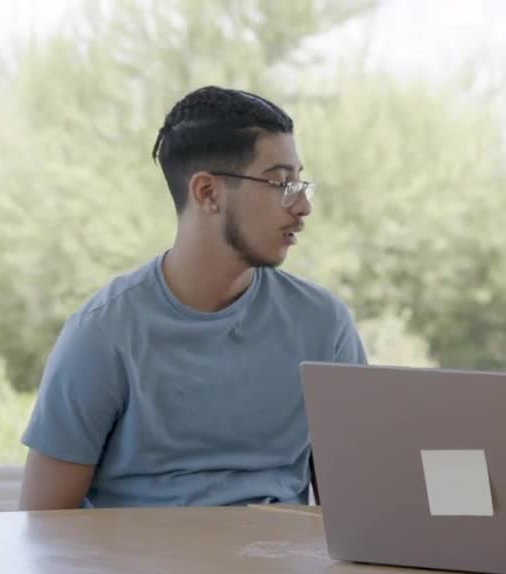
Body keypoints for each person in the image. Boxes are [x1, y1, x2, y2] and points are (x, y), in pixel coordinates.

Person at [19, 86, 367, 511]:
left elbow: (356, 509)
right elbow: (44, 519)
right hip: (140, 554)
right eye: (280, 183)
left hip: (281, 551)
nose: (301, 206)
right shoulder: (104, 332)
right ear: (207, 192)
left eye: (300, 183)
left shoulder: (324, 324)